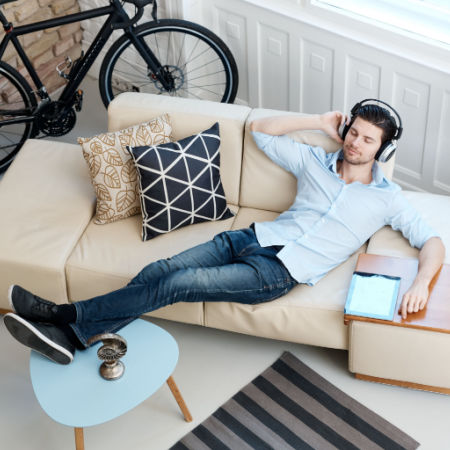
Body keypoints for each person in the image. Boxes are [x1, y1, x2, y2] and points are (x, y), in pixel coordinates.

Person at [3, 99, 445, 365]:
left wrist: (422, 284)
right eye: (354, 132)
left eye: (368, 140)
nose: (355, 143)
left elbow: (433, 241)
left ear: (382, 148)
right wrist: (317, 121)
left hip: (276, 272)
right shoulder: (314, 159)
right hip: (248, 238)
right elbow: (260, 131)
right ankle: (77, 338)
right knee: (160, 268)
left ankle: (64, 316)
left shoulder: (388, 198)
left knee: (177, 283)